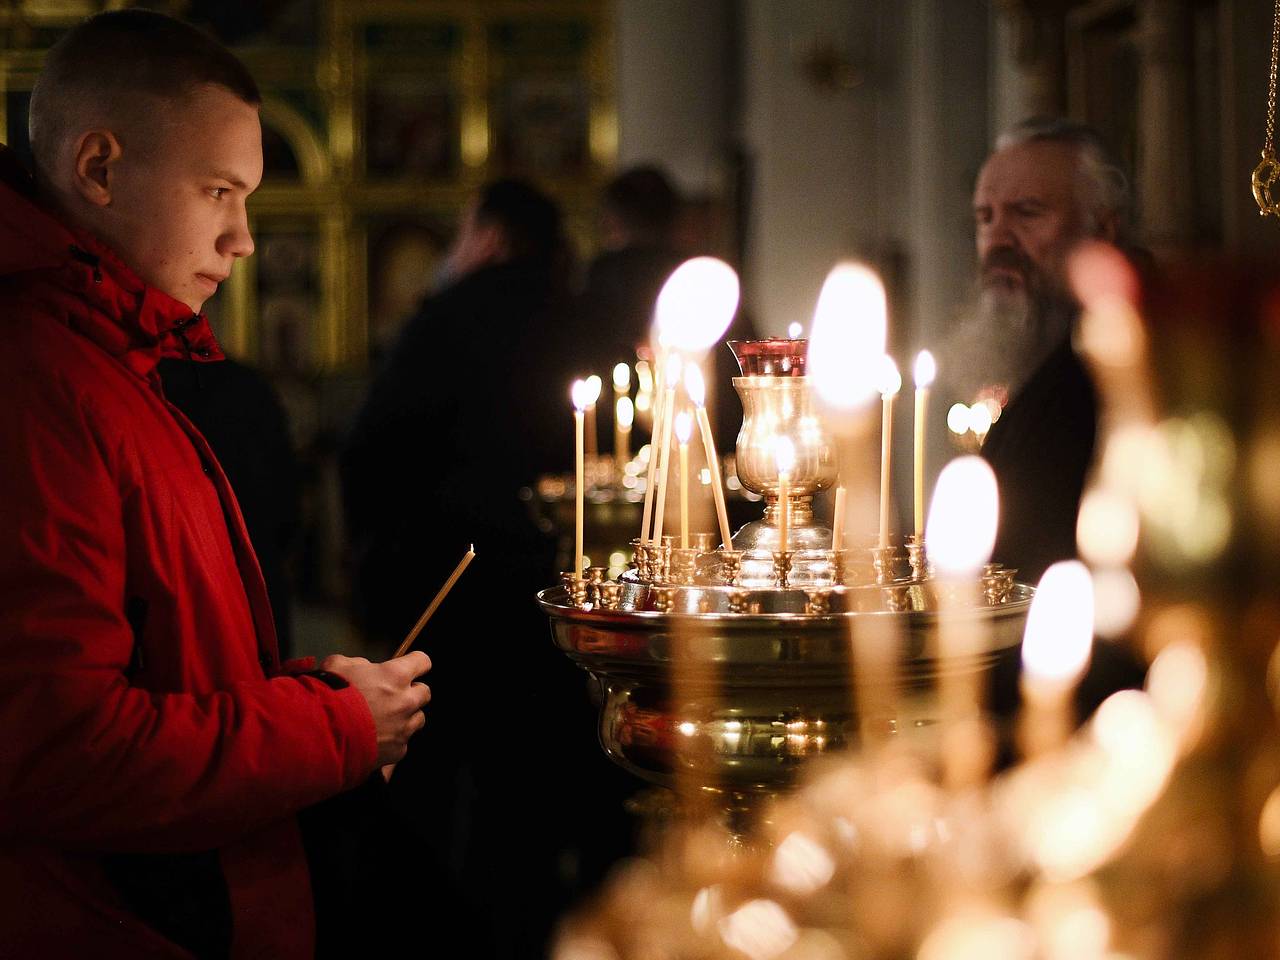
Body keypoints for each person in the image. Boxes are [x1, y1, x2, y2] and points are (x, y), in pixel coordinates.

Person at [0, 11, 431, 957]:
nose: (241, 239)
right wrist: (333, 732)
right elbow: (60, 751)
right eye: (218, 191)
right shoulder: (37, 379)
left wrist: (312, 692)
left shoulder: (112, 360)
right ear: (101, 167)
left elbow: (161, 659)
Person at [342, 179, 637, 959]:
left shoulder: (446, 320)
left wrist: (376, 571)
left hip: (456, 599)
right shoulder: (594, 322)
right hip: (583, 598)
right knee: (561, 782)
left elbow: (371, 452)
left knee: (460, 805)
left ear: (494, 238)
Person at [965, 116, 1130, 584]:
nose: (997, 240)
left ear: (1101, 231)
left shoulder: (1116, 373)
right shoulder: (1041, 359)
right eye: (985, 217)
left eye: (1028, 211)